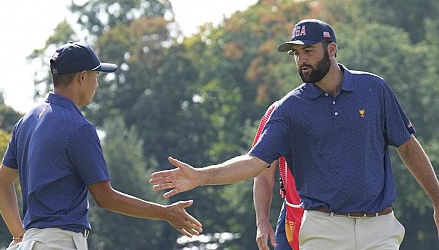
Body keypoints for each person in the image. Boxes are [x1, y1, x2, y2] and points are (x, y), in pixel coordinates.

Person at [149, 19, 439, 249]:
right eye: (296, 54)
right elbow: (255, 163)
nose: (301, 60)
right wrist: (201, 176)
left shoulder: (374, 89)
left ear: (332, 50)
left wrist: (438, 200)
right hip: (325, 230)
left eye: (308, 51)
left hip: (380, 228)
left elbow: (408, 147)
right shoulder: (289, 109)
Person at [0, 41, 202, 250]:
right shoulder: (79, 128)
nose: (97, 84)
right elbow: (105, 198)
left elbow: (1, 185)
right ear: (82, 77)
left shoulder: (26, 121)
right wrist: (165, 213)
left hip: (30, 244)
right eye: (96, 76)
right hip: (60, 244)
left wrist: (20, 236)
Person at [253, 103, 303, 250]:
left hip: (338, 216)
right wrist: (262, 220)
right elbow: (262, 171)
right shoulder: (279, 110)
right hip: (292, 211)